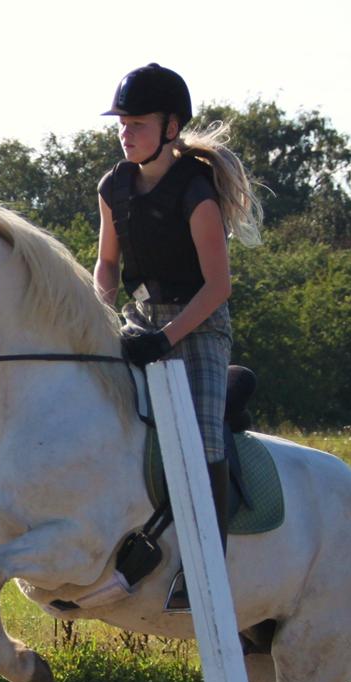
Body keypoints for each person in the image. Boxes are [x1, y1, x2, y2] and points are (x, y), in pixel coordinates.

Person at [94, 62, 262, 611]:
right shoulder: (112, 186)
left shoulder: (197, 191)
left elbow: (218, 287)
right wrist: (104, 315)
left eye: (137, 123)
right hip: (140, 320)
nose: (126, 133)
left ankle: (203, 565)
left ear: (170, 127)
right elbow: (107, 265)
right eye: (121, 123)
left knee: (205, 441)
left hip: (199, 326)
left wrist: (166, 339)